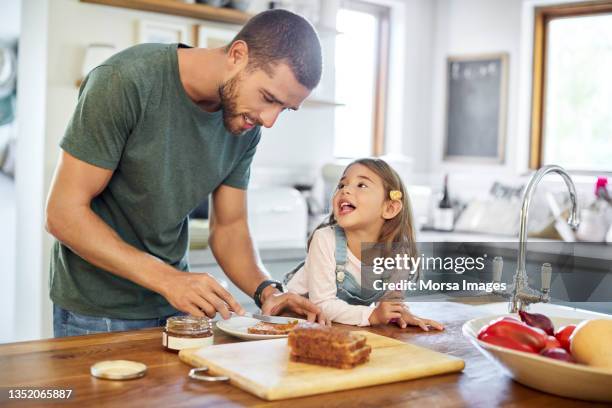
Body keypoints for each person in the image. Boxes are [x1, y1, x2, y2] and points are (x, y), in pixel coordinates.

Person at [45, 9, 326, 337]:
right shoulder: (124, 81)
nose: (269, 119)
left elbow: (230, 228)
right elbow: (62, 213)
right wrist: (167, 279)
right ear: (237, 55)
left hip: (176, 307)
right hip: (97, 311)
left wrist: (269, 291)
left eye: (285, 109)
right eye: (268, 98)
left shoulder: (245, 123)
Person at [285, 158, 444, 330]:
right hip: (291, 319)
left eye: (361, 185)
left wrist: (399, 314)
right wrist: (372, 315)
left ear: (390, 208)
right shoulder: (325, 239)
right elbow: (322, 304)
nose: (345, 190)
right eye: (342, 185)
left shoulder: (399, 252)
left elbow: (392, 300)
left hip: (334, 326)